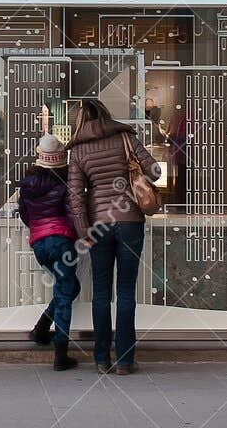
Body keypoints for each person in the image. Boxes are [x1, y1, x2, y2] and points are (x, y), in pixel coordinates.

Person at [68, 98, 160, 375]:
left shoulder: (79, 150)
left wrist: (85, 231)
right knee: (126, 292)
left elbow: (75, 196)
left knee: (101, 293)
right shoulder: (126, 138)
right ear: (106, 113)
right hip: (130, 220)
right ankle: (125, 361)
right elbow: (155, 171)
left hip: (99, 225)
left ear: (80, 120)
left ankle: (100, 359)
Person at [16, 134, 80, 371]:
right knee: (65, 293)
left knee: (70, 288)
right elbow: (72, 213)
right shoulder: (64, 182)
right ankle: (60, 353)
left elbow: (24, 213)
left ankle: (41, 328)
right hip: (61, 240)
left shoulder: (28, 182)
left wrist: (38, 229)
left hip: (39, 243)